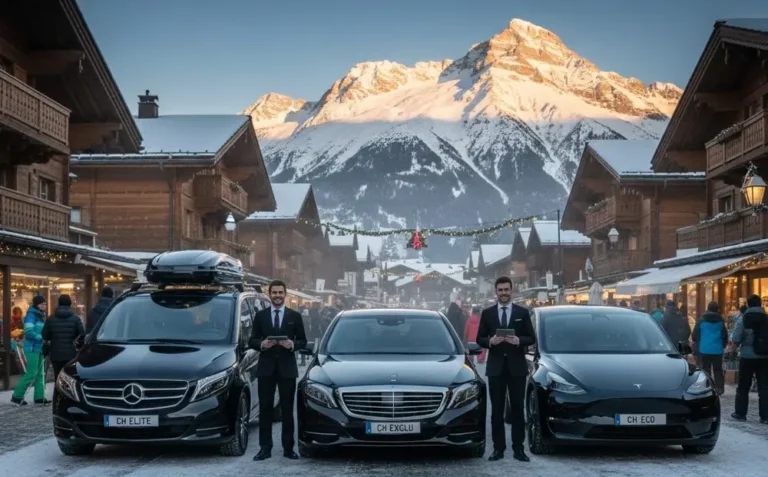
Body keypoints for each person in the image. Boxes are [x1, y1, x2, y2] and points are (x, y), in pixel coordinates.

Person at [476, 276, 535, 462]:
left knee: (518, 410)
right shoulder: (487, 313)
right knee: (497, 411)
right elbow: (479, 338)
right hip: (495, 368)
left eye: (506, 290)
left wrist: (519, 341)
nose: (504, 293)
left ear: (512, 290)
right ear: (496, 292)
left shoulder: (523, 312)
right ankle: (498, 449)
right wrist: (489, 341)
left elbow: (531, 338)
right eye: (500, 290)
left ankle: (519, 449)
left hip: (517, 368)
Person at [249, 280, 307, 461]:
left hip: (287, 369)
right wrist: (262, 344)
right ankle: (264, 448)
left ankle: (288, 448)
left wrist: (292, 344)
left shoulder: (295, 316)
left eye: (280, 292)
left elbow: (303, 341)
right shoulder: (260, 316)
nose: (277, 296)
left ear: (285, 294)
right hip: (266, 369)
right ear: (269, 294)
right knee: (265, 409)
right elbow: (252, 340)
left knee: (287, 410)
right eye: (274, 293)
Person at [731, 295, 768, 423]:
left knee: (743, 386)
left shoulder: (743, 319)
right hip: (764, 356)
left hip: (747, 356)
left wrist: (734, 347)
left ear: (748, 304)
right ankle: (765, 416)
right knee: (764, 386)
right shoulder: (766, 318)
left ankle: (740, 413)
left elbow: (736, 338)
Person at [10, 296, 49, 406]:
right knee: (31, 373)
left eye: (45, 304)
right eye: (42, 304)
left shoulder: (41, 315)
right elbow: (28, 331)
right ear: (36, 304)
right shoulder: (31, 315)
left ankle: (39, 397)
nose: (44, 306)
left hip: (39, 347)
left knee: (40, 373)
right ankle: (17, 396)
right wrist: (41, 338)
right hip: (31, 347)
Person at [42, 294, 86, 380]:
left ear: (59, 303)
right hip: (71, 353)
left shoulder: (51, 318)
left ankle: (57, 393)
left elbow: (44, 335)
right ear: (70, 303)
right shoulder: (75, 318)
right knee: (69, 379)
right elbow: (82, 335)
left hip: (55, 354)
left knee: (57, 377)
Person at [691, 301, 727, 394]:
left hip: (704, 348)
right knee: (718, 370)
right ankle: (719, 388)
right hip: (717, 349)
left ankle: (708, 387)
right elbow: (724, 335)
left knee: (706, 369)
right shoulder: (720, 321)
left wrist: (698, 342)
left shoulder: (702, 320)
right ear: (717, 310)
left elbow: (694, 335)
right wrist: (723, 345)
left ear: (708, 308)